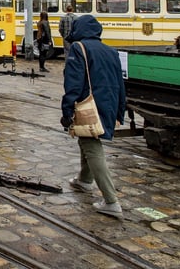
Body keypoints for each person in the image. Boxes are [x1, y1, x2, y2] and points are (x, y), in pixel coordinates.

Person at [60, 14, 127, 219]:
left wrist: (67, 110)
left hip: (89, 105)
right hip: (109, 103)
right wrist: (120, 111)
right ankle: (84, 180)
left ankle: (111, 201)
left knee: (92, 146)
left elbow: (73, 83)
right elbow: (121, 83)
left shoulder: (79, 48)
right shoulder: (111, 51)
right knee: (87, 138)